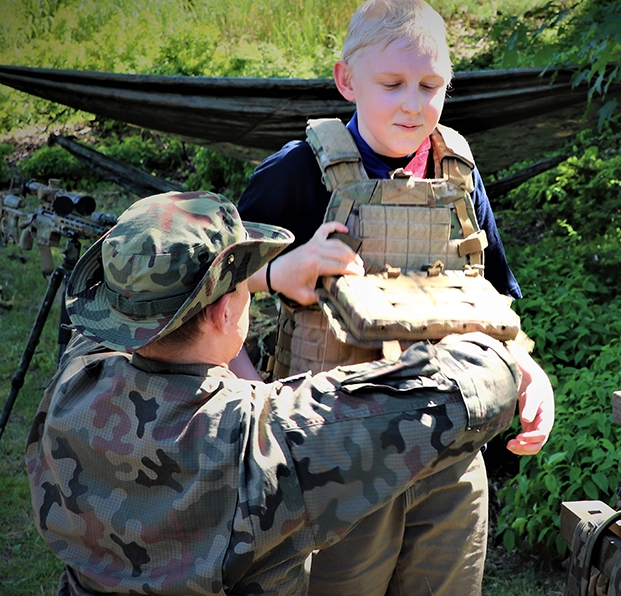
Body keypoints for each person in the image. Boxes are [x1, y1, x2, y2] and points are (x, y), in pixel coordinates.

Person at [24, 190, 538, 596]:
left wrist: (271, 276)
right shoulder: (267, 444)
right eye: (247, 286)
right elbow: (478, 385)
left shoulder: (75, 381)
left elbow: (125, 307)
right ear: (226, 312)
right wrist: (506, 348)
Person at [236, 0, 554, 594]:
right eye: (393, 83)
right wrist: (280, 273)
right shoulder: (297, 172)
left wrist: (528, 371)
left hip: (451, 447)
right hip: (334, 452)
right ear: (347, 80)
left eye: (431, 85)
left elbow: (489, 297)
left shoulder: (457, 173)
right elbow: (211, 286)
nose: (413, 102)